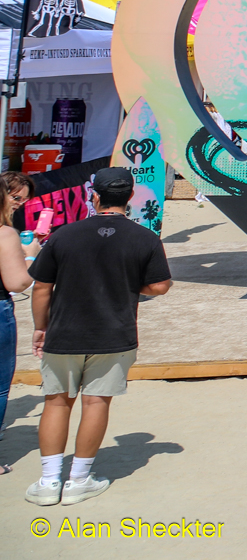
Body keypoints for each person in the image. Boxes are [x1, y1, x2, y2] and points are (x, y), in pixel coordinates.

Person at [25, 166, 173, 507]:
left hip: (64, 331)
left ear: (94, 196)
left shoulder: (65, 234)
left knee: (56, 401)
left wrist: (40, 326)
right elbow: (161, 285)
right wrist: (125, 283)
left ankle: (49, 481)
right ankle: (79, 479)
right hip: (114, 331)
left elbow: (42, 287)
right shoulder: (144, 238)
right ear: (130, 198)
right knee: (96, 402)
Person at [2, 172, 40, 476]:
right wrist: (30, 257)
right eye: (15, 197)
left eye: (24, 199)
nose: (20, 204)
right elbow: (17, 282)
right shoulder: (5, 234)